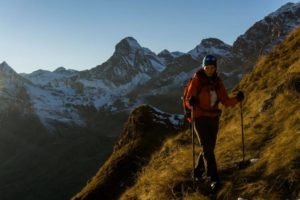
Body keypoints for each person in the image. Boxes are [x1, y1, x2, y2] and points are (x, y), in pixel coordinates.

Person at [186, 54, 244, 191]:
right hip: (199, 118)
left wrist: (237, 99)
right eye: (207, 67)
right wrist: (191, 102)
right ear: (203, 67)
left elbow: (225, 100)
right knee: (207, 148)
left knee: (209, 148)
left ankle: (197, 172)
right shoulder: (197, 80)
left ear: (215, 68)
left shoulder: (218, 82)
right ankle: (214, 179)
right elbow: (189, 99)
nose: (210, 70)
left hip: (213, 119)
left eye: (212, 67)